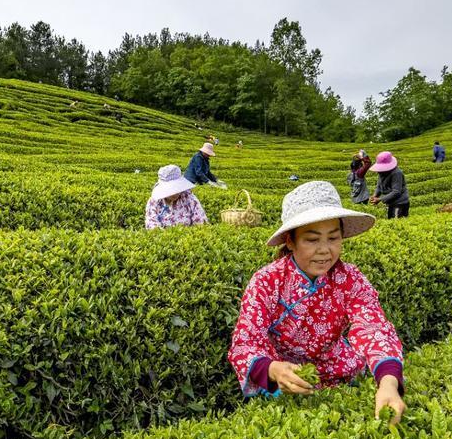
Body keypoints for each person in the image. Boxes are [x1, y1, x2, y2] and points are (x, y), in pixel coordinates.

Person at [227, 181, 406, 424]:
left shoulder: (350, 278)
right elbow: (246, 341)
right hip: (284, 376)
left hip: (337, 369)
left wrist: (388, 383)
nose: (325, 250)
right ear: (290, 241)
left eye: (333, 238)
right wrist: (271, 370)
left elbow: (373, 328)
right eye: (312, 240)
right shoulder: (266, 281)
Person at [144, 165, 208, 229]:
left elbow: (200, 223)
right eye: (170, 189)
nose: (175, 193)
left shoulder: (190, 199)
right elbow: (152, 225)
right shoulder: (154, 201)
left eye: (177, 188)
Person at [369, 151, 409, 219]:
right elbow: (379, 186)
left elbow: (396, 192)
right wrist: (375, 195)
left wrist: (380, 199)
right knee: (390, 219)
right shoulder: (381, 172)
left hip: (399, 203)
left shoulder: (396, 173)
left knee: (396, 223)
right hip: (390, 202)